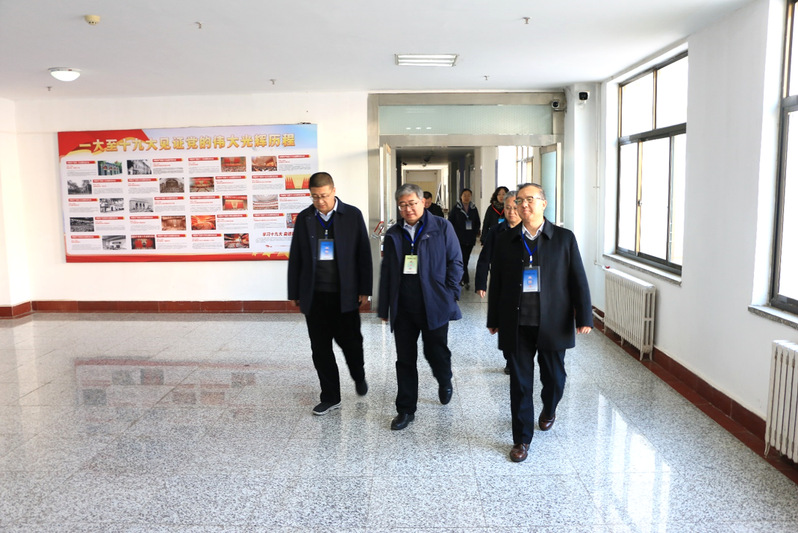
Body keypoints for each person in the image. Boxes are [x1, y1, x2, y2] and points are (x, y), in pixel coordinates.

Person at [486, 183, 592, 463]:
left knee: (555, 379)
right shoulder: (506, 240)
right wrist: (493, 317)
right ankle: (521, 439)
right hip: (517, 322)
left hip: (553, 321)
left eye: (530, 199)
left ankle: (549, 408)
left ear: (544, 204)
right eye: (519, 200)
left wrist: (584, 315)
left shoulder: (564, 238)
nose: (524, 205)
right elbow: (497, 281)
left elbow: (578, 278)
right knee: (520, 383)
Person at [378, 183, 463, 431]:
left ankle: (444, 378)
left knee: (436, 352)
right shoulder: (394, 234)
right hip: (404, 307)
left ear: (423, 202)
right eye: (402, 205)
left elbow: (455, 261)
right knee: (405, 360)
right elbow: (387, 272)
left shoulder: (442, 227)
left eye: (412, 203)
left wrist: (450, 294)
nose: (408, 209)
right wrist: (384, 307)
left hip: (434, 304)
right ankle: (405, 409)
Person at [287, 172, 372, 416]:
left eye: (324, 196)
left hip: (345, 295)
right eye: (315, 197)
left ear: (334, 191)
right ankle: (330, 397)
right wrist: (294, 291)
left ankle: (358, 374)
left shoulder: (352, 215)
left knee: (352, 344)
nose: (320, 201)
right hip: (315, 296)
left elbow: (363, 254)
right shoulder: (305, 218)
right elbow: (296, 256)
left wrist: (365, 289)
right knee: (320, 349)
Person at [474, 190, 520, 375]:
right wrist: (480, 284)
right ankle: (510, 359)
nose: (511, 212)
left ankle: (521, 358)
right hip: (504, 285)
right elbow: (485, 258)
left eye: (515, 208)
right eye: (508, 208)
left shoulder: (530, 230)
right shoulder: (496, 231)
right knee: (506, 323)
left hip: (526, 285)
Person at [448, 188, 480, 289]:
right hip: (459, 239)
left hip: (470, 239)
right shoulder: (456, 209)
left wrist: (474, 233)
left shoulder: (473, 209)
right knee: (462, 259)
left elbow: (477, 222)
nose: (466, 197)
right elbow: (450, 222)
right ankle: (465, 280)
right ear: (461, 196)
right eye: (464, 195)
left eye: (468, 195)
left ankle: (462, 279)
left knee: (466, 259)